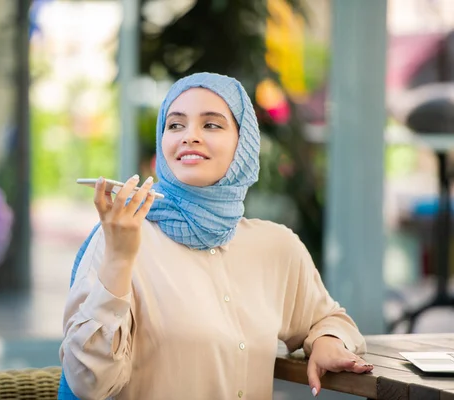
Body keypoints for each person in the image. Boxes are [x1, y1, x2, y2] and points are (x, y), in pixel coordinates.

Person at [57, 72, 372, 400]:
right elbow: (88, 383)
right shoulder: (120, 237)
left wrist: (327, 341)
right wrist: (119, 259)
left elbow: (330, 318)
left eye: (211, 125)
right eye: (175, 125)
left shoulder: (276, 246)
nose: (189, 136)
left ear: (244, 143)